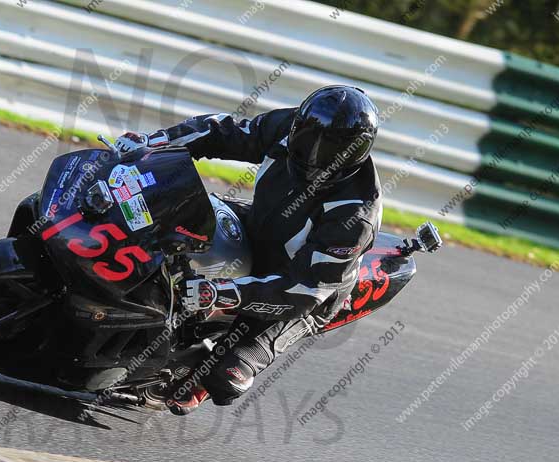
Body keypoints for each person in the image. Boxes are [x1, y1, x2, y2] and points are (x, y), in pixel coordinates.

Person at [114, 85, 383, 415]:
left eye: (329, 149)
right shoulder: (287, 126)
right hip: (260, 224)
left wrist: (218, 293)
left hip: (304, 286)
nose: (313, 154)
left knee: (226, 374)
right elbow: (223, 131)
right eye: (308, 138)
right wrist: (153, 141)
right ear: (299, 125)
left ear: (355, 154)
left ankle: (196, 380)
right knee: (168, 216)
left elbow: (305, 290)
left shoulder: (355, 214)